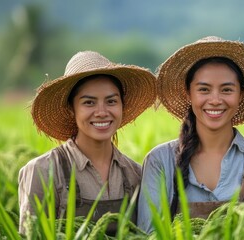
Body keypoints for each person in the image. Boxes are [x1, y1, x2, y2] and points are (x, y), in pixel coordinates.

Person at [137, 36, 244, 233]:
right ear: (188, 94)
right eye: (204, 89)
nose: (215, 100)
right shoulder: (160, 161)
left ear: (241, 94)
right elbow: (149, 233)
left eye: (226, 90)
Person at [18, 51, 156, 234]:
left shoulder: (136, 174)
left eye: (111, 101)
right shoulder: (43, 171)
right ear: (71, 109)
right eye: (89, 103)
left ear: (122, 106)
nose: (101, 112)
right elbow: (31, 235)